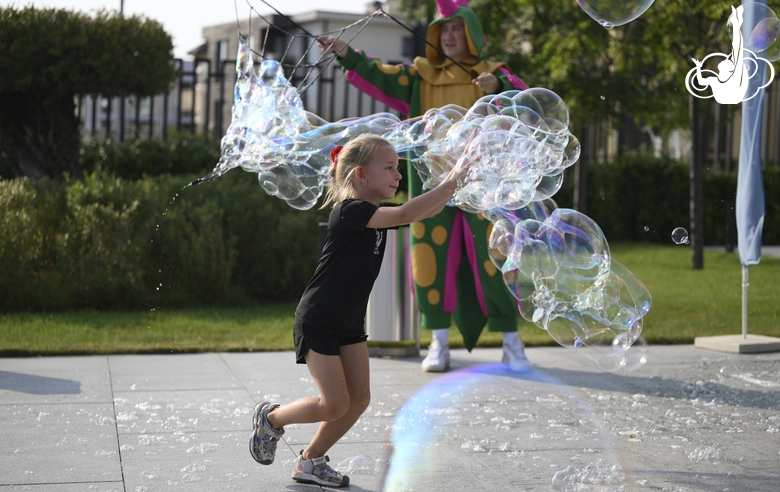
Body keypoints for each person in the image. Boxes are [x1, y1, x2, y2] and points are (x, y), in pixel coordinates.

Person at [317, 0, 533, 373]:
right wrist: (346, 53)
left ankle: (512, 343)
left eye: (456, 29)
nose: (448, 36)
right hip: (431, 187)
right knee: (430, 262)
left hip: (485, 189)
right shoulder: (419, 75)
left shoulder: (492, 74)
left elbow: (525, 102)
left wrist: (498, 86)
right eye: (443, 30)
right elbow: (380, 72)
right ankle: (439, 341)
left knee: (496, 260)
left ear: (471, 35)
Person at [249, 134, 472, 487]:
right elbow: (410, 211)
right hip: (320, 319)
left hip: (349, 321)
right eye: (389, 168)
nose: (398, 175)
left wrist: (458, 179)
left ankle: (309, 463)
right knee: (334, 403)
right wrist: (452, 180)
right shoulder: (351, 211)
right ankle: (272, 419)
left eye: (398, 168)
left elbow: (425, 211)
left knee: (360, 399)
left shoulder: (376, 214)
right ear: (361, 176)